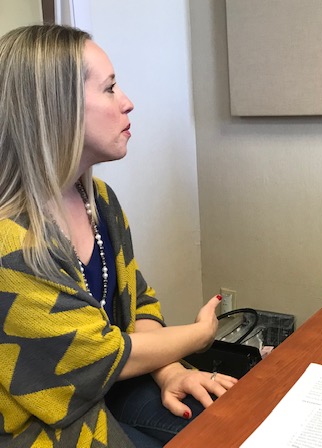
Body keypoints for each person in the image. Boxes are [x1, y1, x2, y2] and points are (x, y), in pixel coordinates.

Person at [0, 24, 237, 447]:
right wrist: (199, 337)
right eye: (109, 89)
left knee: (233, 423)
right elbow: (92, 356)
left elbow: (138, 301)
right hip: (47, 423)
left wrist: (173, 372)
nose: (127, 102)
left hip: (114, 388)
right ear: (56, 108)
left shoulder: (99, 201)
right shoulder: (10, 243)